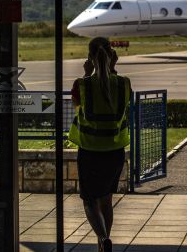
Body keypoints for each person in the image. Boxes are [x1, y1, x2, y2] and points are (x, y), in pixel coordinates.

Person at [68, 37, 131, 252]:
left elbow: (78, 107)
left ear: (89, 58)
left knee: (89, 201)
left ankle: (103, 239)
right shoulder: (124, 83)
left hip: (90, 152)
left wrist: (87, 74)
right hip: (114, 152)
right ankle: (103, 244)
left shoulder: (81, 84)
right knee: (106, 201)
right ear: (112, 56)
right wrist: (112, 70)